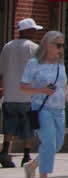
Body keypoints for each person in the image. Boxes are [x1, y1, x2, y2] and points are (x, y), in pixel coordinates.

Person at [19, 30, 68, 178]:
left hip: (59, 109)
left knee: (57, 144)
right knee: (48, 143)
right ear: (47, 45)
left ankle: (32, 165)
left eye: (62, 45)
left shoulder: (60, 64)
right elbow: (23, 86)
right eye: (58, 45)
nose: (61, 49)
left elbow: (64, 87)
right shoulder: (34, 63)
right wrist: (41, 90)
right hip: (42, 108)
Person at [1, 18, 45, 168]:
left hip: (10, 95)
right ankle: (26, 155)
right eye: (33, 30)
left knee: (9, 126)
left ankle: (5, 153)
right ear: (25, 31)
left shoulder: (7, 47)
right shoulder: (34, 48)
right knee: (29, 127)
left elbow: (1, 72)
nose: (35, 33)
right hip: (28, 96)